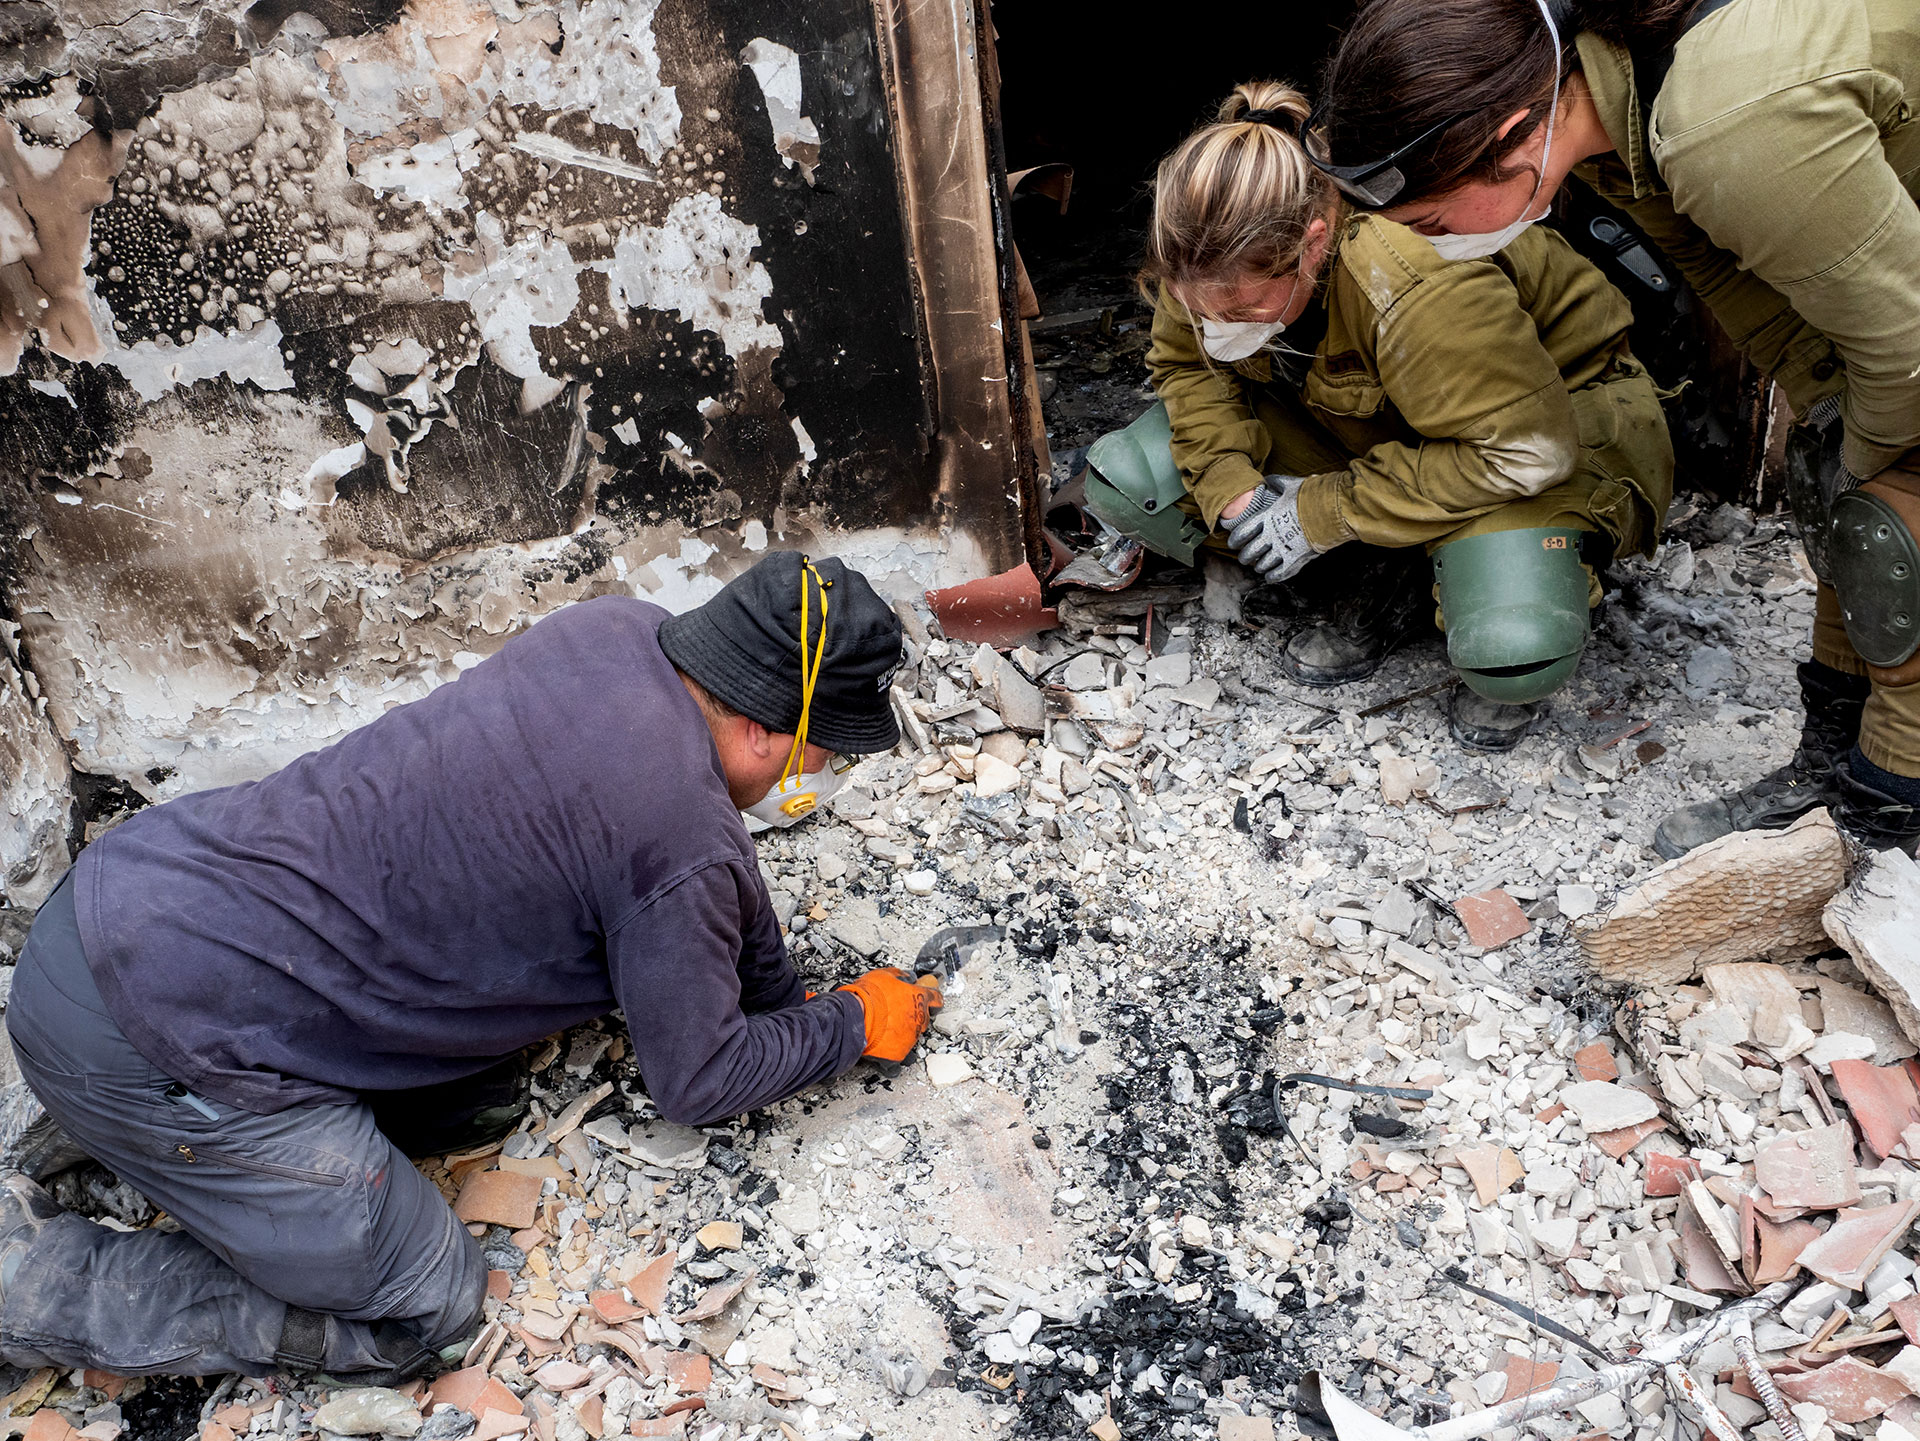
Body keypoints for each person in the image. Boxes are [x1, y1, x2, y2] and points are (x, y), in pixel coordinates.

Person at [0, 551, 938, 1379]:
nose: (814, 776)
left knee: (478, 1100)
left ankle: (133, 1137)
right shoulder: (673, 830)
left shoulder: (620, 632)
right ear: (766, 732)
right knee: (427, 1307)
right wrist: (852, 1025)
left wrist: (785, 995)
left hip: (132, 893)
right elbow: (697, 1077)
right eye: (823, 754)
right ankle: (35, 1279)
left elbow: (706, 875)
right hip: (145, 1034)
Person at [1311, 0, 1920, 852]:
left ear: (1513, 132)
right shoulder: (1604, 125)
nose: (1437, 245)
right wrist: (1836, 440)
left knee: (1893, 519)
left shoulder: (1724, 127)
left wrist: (1871, 475)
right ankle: (1833, 764)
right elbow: (1773, 319)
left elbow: (1910, 352)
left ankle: (1888, 821)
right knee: (1841, 470)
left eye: (1434, 224)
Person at [1081, 81, 1673, 751]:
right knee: (1136, 481)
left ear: (1311, 243)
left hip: (1542, 425)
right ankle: (1394, 567)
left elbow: (1523, 450)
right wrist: (1235, 490)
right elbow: (1189, 368)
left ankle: (1448, 563)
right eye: (1200, 310)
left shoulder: (1409, 273)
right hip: (1381, 423)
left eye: (1242, 312)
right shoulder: (1202, 249)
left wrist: (1320, 511)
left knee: (1513, 647)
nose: (1218, 327)